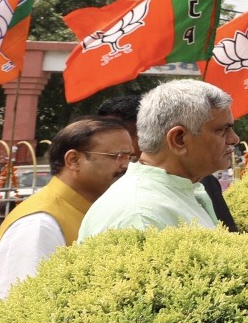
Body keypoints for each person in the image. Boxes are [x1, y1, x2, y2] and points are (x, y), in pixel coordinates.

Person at [0, 117, 134, 304]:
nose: (126, 165)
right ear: (73, 160)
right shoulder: (39, 224)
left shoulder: (89, 210)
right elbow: (20, 308)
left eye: (129, 157)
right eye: (116, 156)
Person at [79, 82, 238, 238]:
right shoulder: (142, 216)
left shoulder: (167, 194)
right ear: (179, 139)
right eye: (223, 130)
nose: (234, 139)